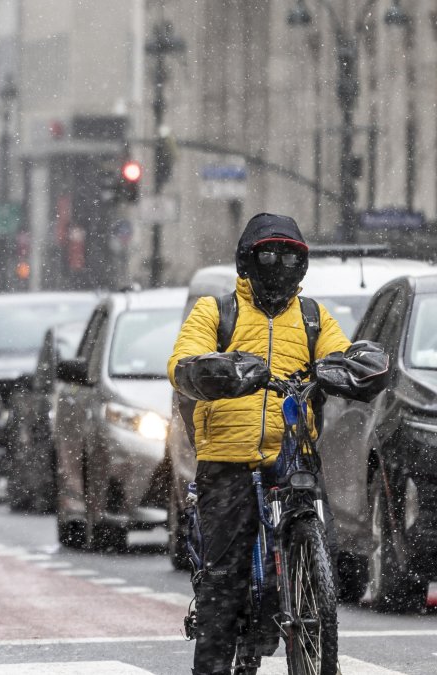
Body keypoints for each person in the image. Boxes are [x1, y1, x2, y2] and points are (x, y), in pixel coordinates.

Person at [168, 213, 389, 675]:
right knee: (224, 582)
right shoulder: (216, 311)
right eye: (269, 254)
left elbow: (340, 353)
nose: (280, 265)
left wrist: (354, 367)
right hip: (227, 461)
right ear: (247, 261)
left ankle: (302, 603)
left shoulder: (312, 318)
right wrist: (223, 371)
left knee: (313, 539)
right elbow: (184, 364)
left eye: (291, 256)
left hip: (293, 453)